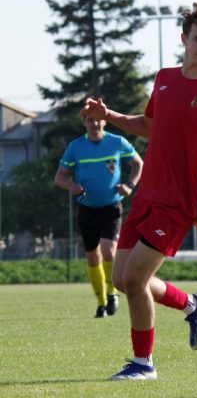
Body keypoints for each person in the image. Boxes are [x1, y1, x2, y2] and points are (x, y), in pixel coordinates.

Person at [81, 1, 197, 380]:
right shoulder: (165, 78)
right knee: (122, 279)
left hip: (177, 201)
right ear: (184, 39)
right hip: (147, 194)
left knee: (134, 281)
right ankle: (191, 304)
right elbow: (151, 125)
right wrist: (111, 118)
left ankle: (143, 364)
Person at [55, 115, 143, 318]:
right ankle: (101, 303)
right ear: (84, 123)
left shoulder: (117, 142)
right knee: (93, 257)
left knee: (108, 250)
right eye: (89, 120)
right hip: (87, 210)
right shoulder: (76, 147)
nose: (94, 124)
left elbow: (138, 164)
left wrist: (129, 186)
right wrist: (72, 186)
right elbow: (60, 176)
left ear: (104, 121)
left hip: (111, 207)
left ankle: (113, 294)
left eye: (97, 119)